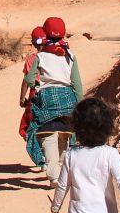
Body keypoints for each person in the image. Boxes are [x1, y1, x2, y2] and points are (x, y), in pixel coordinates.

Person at [22, 17, 83, 180]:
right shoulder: (70, 55)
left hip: (47, 98)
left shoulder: (40, 57)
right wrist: (79, 105)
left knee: (48, 134)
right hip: (67, 98)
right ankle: (64, 172)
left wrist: (36, 87)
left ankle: (54, 176)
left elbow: (29, 79)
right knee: (65, 134)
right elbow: (77, 84)